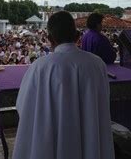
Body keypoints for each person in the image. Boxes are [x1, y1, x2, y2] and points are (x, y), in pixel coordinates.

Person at [13, 11, 114, 159]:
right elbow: (102, 104)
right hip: (88, 141)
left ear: (49, 39)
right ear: (77, 36)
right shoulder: (97, 64)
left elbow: (24, 107)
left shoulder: (40, 67)